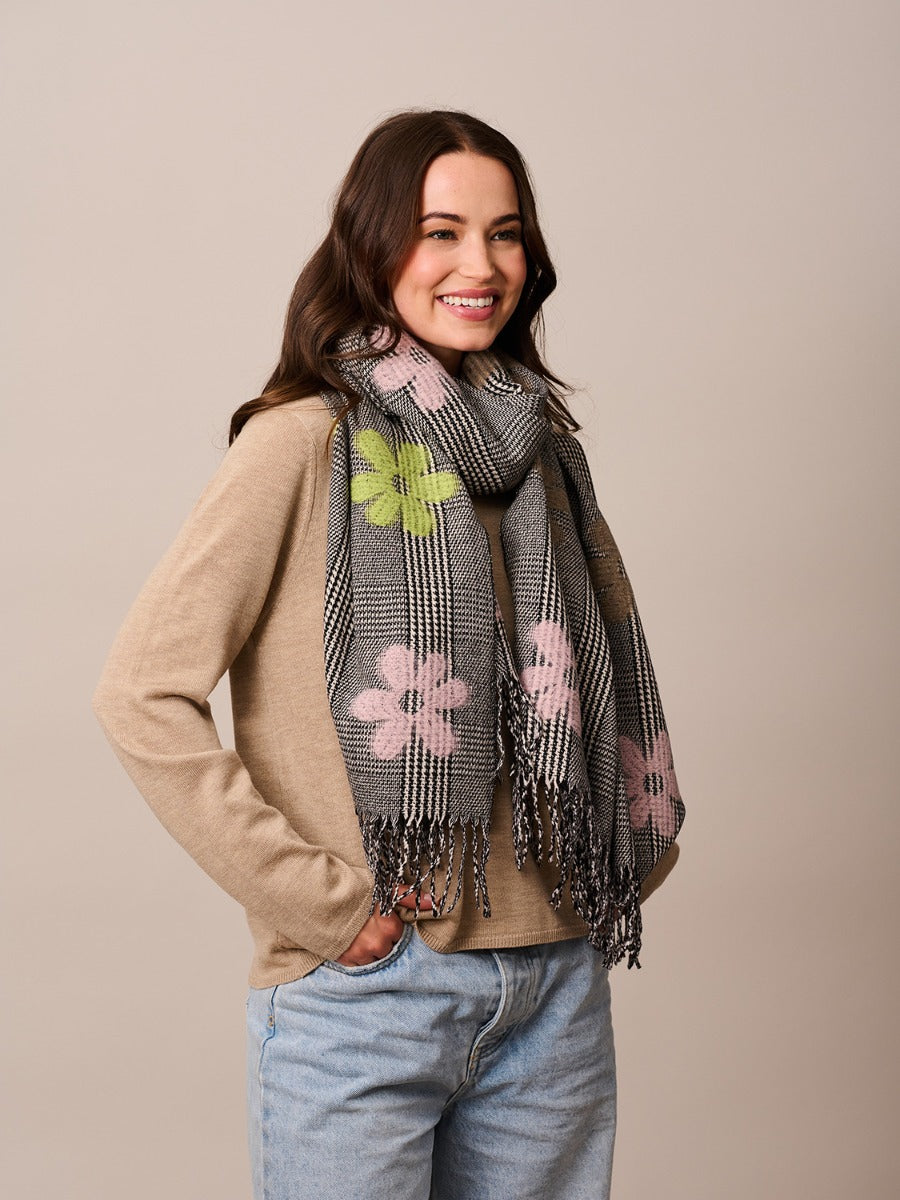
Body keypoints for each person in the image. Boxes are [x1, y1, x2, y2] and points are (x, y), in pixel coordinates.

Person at [92, 108, 684, 1200]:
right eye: (440, 232)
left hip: (553, 987)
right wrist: (320, 905)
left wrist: (606, 873)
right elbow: (141, 693)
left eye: (505, 234)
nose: (481, 266)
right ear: (373, 246)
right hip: (370, 993)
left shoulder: (543, 454)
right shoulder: (299, 443)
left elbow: (598, 681)